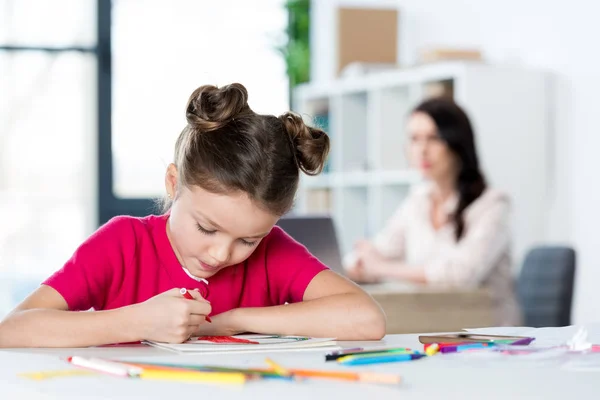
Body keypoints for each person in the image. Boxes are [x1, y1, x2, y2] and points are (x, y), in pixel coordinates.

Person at [0, 83, 386, 348]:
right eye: (206, 227)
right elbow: (12, 330)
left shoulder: (272, 252)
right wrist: (138, 322)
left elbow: (366, 319)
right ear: (173, 184)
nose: (221, 254)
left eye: (248, 240)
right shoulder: (124, 243)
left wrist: (235, 320)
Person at [344, 97, 520, 326]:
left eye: (434, 138)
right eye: (414, 139)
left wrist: (381, 268)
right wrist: (360, 263)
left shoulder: (492, 204)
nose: (422, 150)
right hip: (433, 324)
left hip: (487, 332)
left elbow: (459, 276)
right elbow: (378, 250)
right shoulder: (418, 200)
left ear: (457, 143)